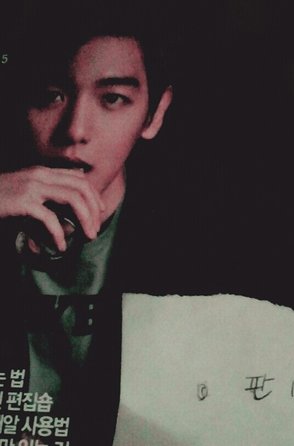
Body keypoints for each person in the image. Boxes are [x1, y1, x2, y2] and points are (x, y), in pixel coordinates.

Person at [0, 3, 175, 444]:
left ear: (154, 114)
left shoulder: (195, 246)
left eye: (112, 98)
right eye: (50, 95)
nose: (76, 129)